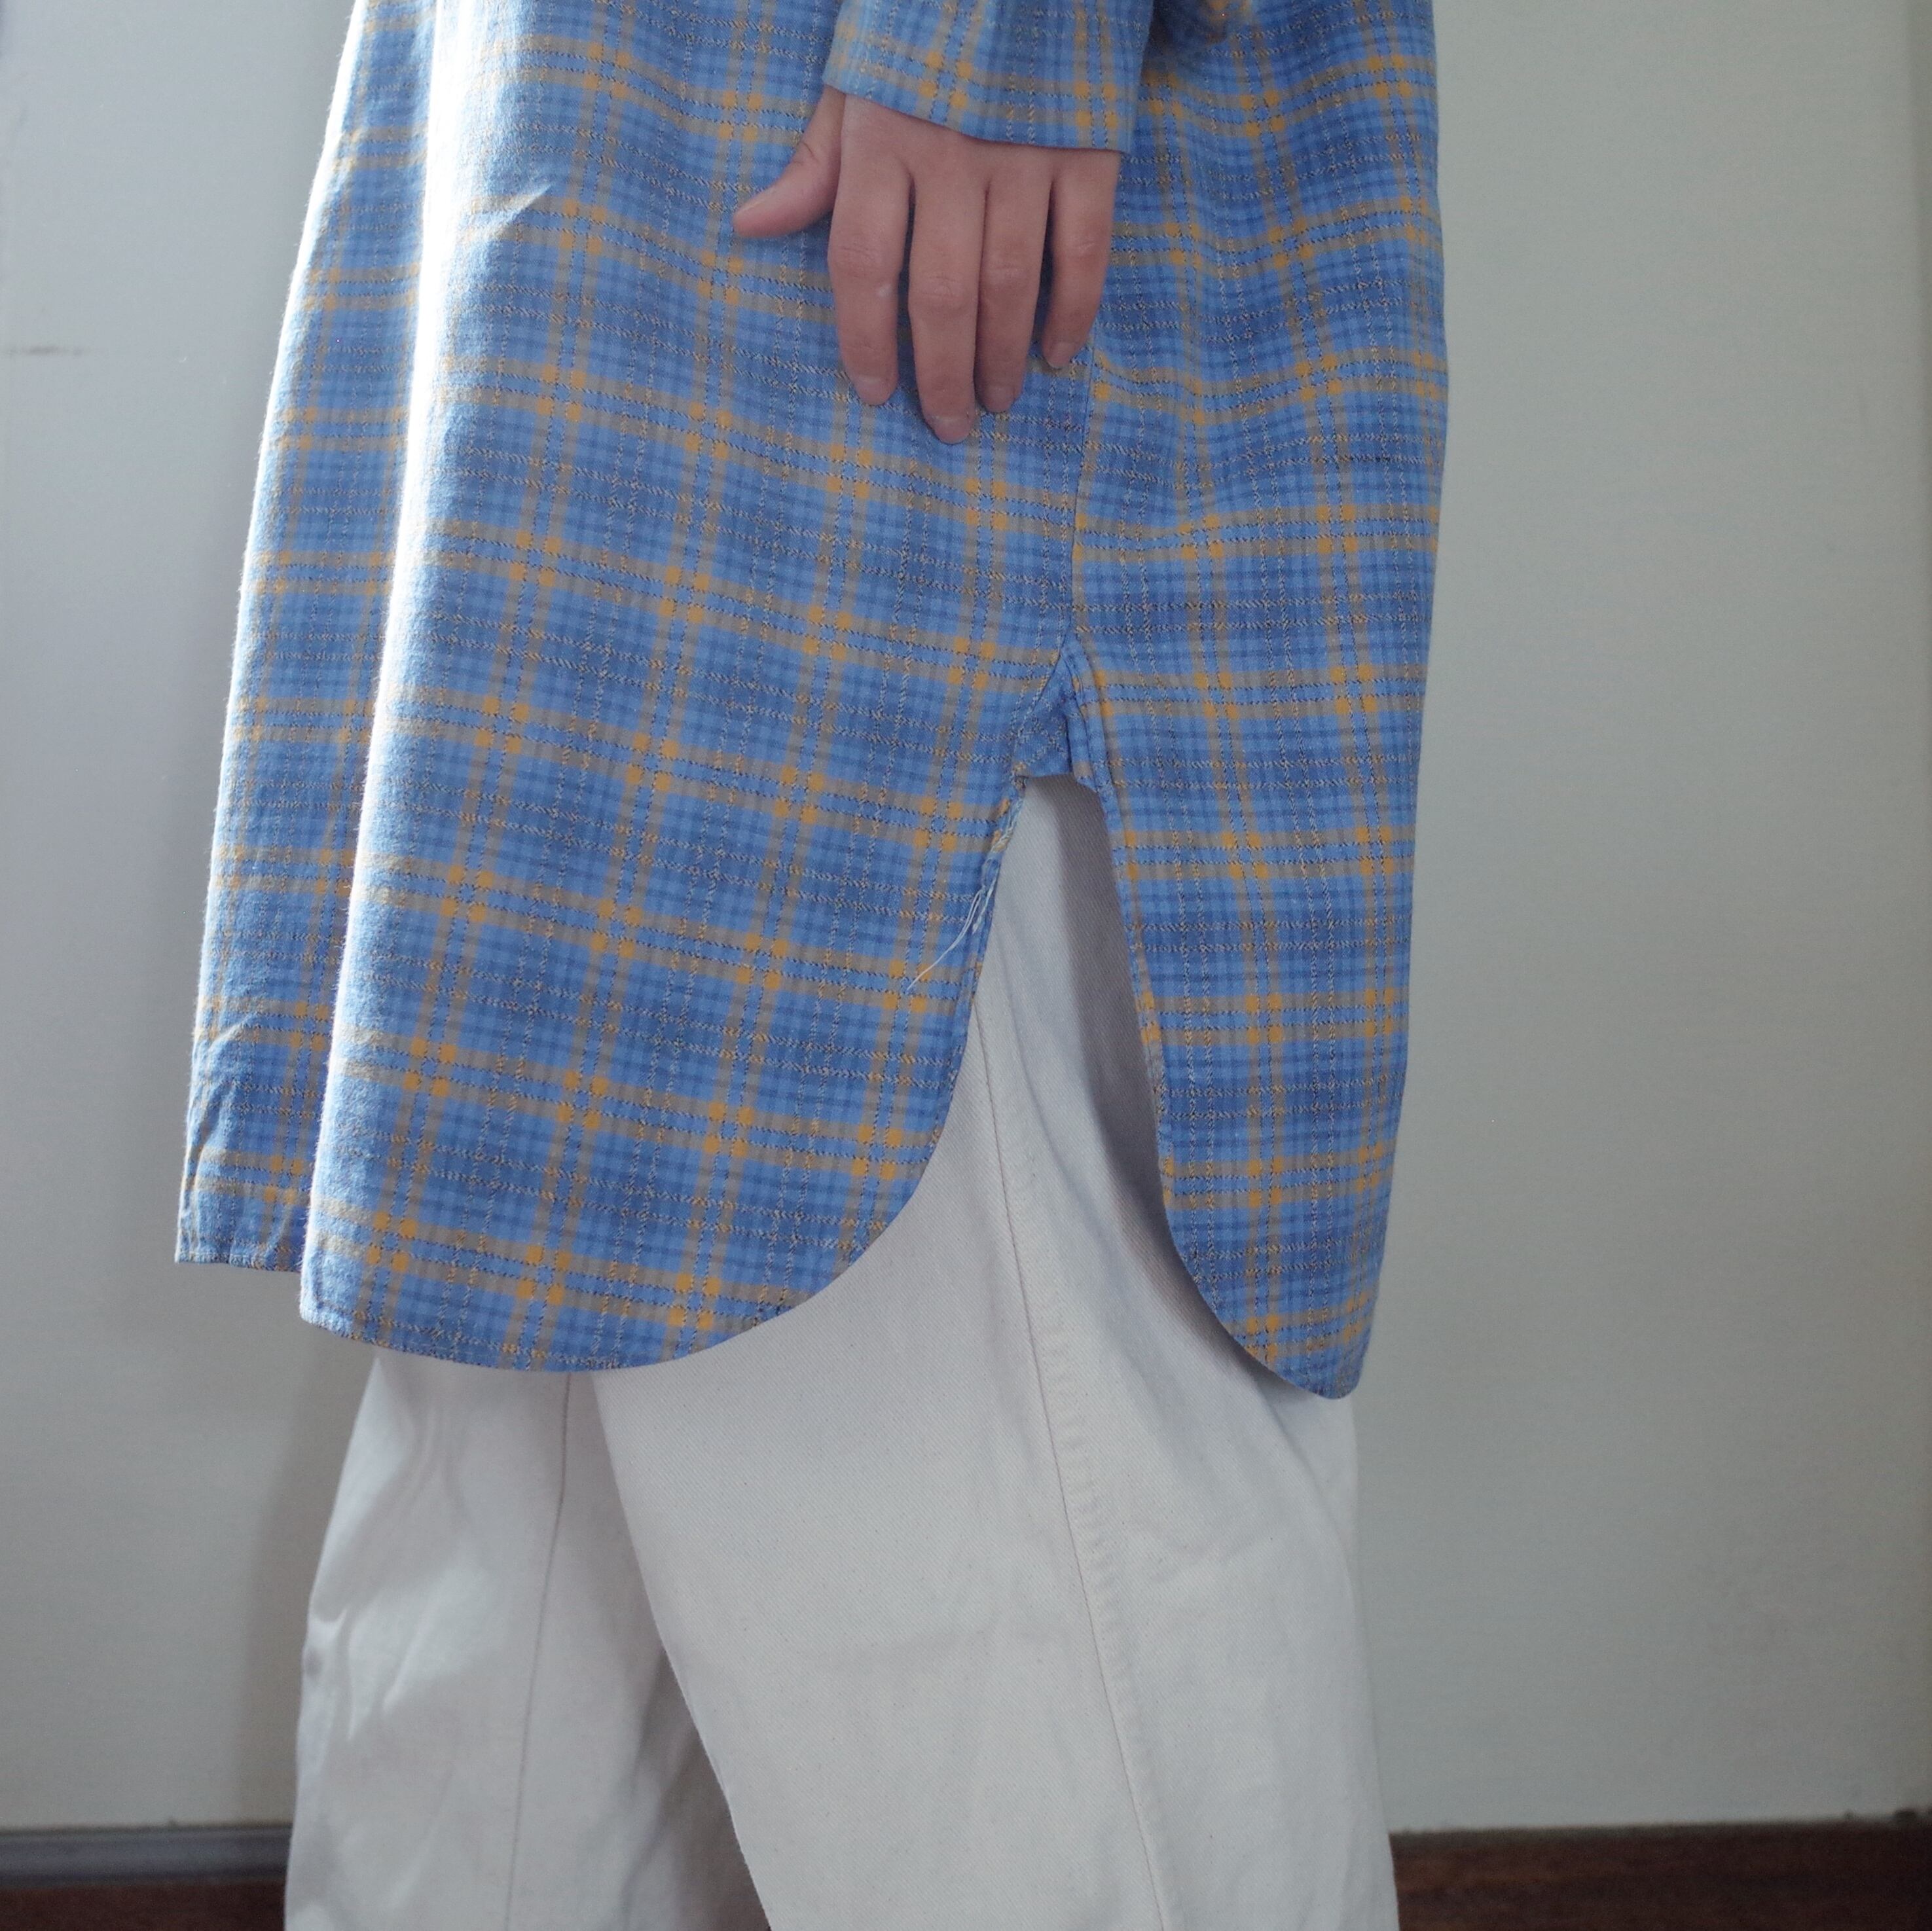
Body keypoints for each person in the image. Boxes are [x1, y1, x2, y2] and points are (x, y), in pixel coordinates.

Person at [177, 0, 1448, 1922]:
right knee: (515, 1568)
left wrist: (994, 33)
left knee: (1004, 1471)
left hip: (879, 222)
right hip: (614, 220)